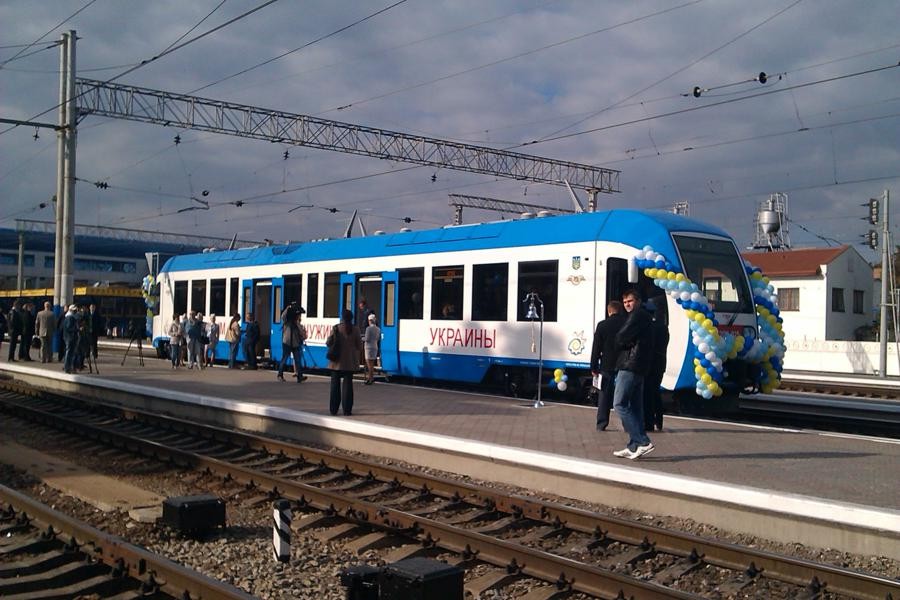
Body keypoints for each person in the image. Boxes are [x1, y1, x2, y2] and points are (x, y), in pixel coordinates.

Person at [612, 289, 655, 460]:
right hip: (640, 367)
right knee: (636, 408)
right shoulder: (647, 317)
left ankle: (643, 441)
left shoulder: (637, 316)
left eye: (629, 301)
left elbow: (620, 338)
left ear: (637, 301)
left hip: (629, 365)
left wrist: (621, 341)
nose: (627, 304)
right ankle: (633, 446)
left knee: (619, 404)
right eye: (624, 302)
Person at [589, 300, 627, 431]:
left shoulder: (602, 325)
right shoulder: (626, 323)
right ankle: (627, 424)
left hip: (607, 364)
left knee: (604, 395)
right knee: (624, 396)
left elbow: (596, 348)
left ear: (609, 311)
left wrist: (593, 366)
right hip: (624, 363)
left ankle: (602, 423)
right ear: (620, 310)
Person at [326, 309, 363, 416]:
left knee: (334, 386)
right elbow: (359, 346)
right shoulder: (355, 329)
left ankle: (333, 409)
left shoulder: (336, 328)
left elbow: (328, 343)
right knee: (348, 386)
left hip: (336, 362)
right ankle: (347, 410)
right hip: (349, 362)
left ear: (342, 318)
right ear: (351, 318)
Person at [643, 299, 670, 432]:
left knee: (647, 393)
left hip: (649, 363)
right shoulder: (663, 328)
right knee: (656, 392)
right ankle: (659, 421)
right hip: (660, 363)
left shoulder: (649, 327)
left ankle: (649, 421)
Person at [277, 303, 307, 382]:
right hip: (287, 343)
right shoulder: (287, 323)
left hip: (295, 343)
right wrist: (288, 308)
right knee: (285, 359)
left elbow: (302, 334)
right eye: (298, 315)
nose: (299, 317)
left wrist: (303, 336)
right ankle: (280, 375)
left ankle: (299, 376)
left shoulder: (297, 324)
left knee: (297, 360)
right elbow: (283, 316)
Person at [363, 313, 381, 385]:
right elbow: (378, 338)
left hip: (368, 348)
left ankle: (370, 379)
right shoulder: (378, 329)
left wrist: (362, 338)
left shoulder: (368, 328)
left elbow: (367, 339)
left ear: (370, 320)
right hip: (375, 347)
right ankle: (371, 378)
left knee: (369, 364)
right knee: (372, 364)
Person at [62, 304, 79, 374]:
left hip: (68, 337)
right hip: (70, 337)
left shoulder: (67, 317)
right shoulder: (70, 317)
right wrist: (77, 329)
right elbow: (69, 328)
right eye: (75, 310)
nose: (76, 311)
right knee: (69, 353)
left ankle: (68, 367)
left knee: (69, 352)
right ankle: (67, 367)